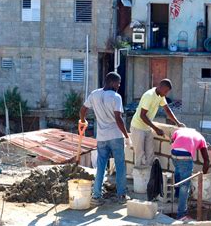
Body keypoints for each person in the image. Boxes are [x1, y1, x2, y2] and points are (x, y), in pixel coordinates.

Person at [79, 72, 132, 207]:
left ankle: (96, 196)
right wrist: (126, 135)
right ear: (112, 83)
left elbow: (83, 109)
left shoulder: (94, 94)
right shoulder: (116, 97)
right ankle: (121, 196)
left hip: (101, 137)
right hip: (115, 136)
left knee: (101, 166)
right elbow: (118, 119)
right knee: (120, 165)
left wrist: (83, 120)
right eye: (118, 83)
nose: (119, 85)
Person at [130, 79, 184, 167]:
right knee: (140, 155)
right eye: (165, 91)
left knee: (150, 154)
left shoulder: (161, 96)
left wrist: (177, 123)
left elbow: (167, 109)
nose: (166, 94)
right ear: (160, 87)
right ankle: (139, 179)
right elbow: (142, 115)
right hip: (138, 128)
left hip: (147, 128)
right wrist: (156, 129)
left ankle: (149, 178)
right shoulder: (149, 95)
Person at [170, 127, 209, 220]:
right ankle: (181, 215)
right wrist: (203, 176)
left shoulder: (179, 131)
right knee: (185, 186)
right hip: (185, 157)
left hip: (174, 154)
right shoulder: (201, 138)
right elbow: (207, 160)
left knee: (178, 171)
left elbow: (172, 141)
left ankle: (177, 196)